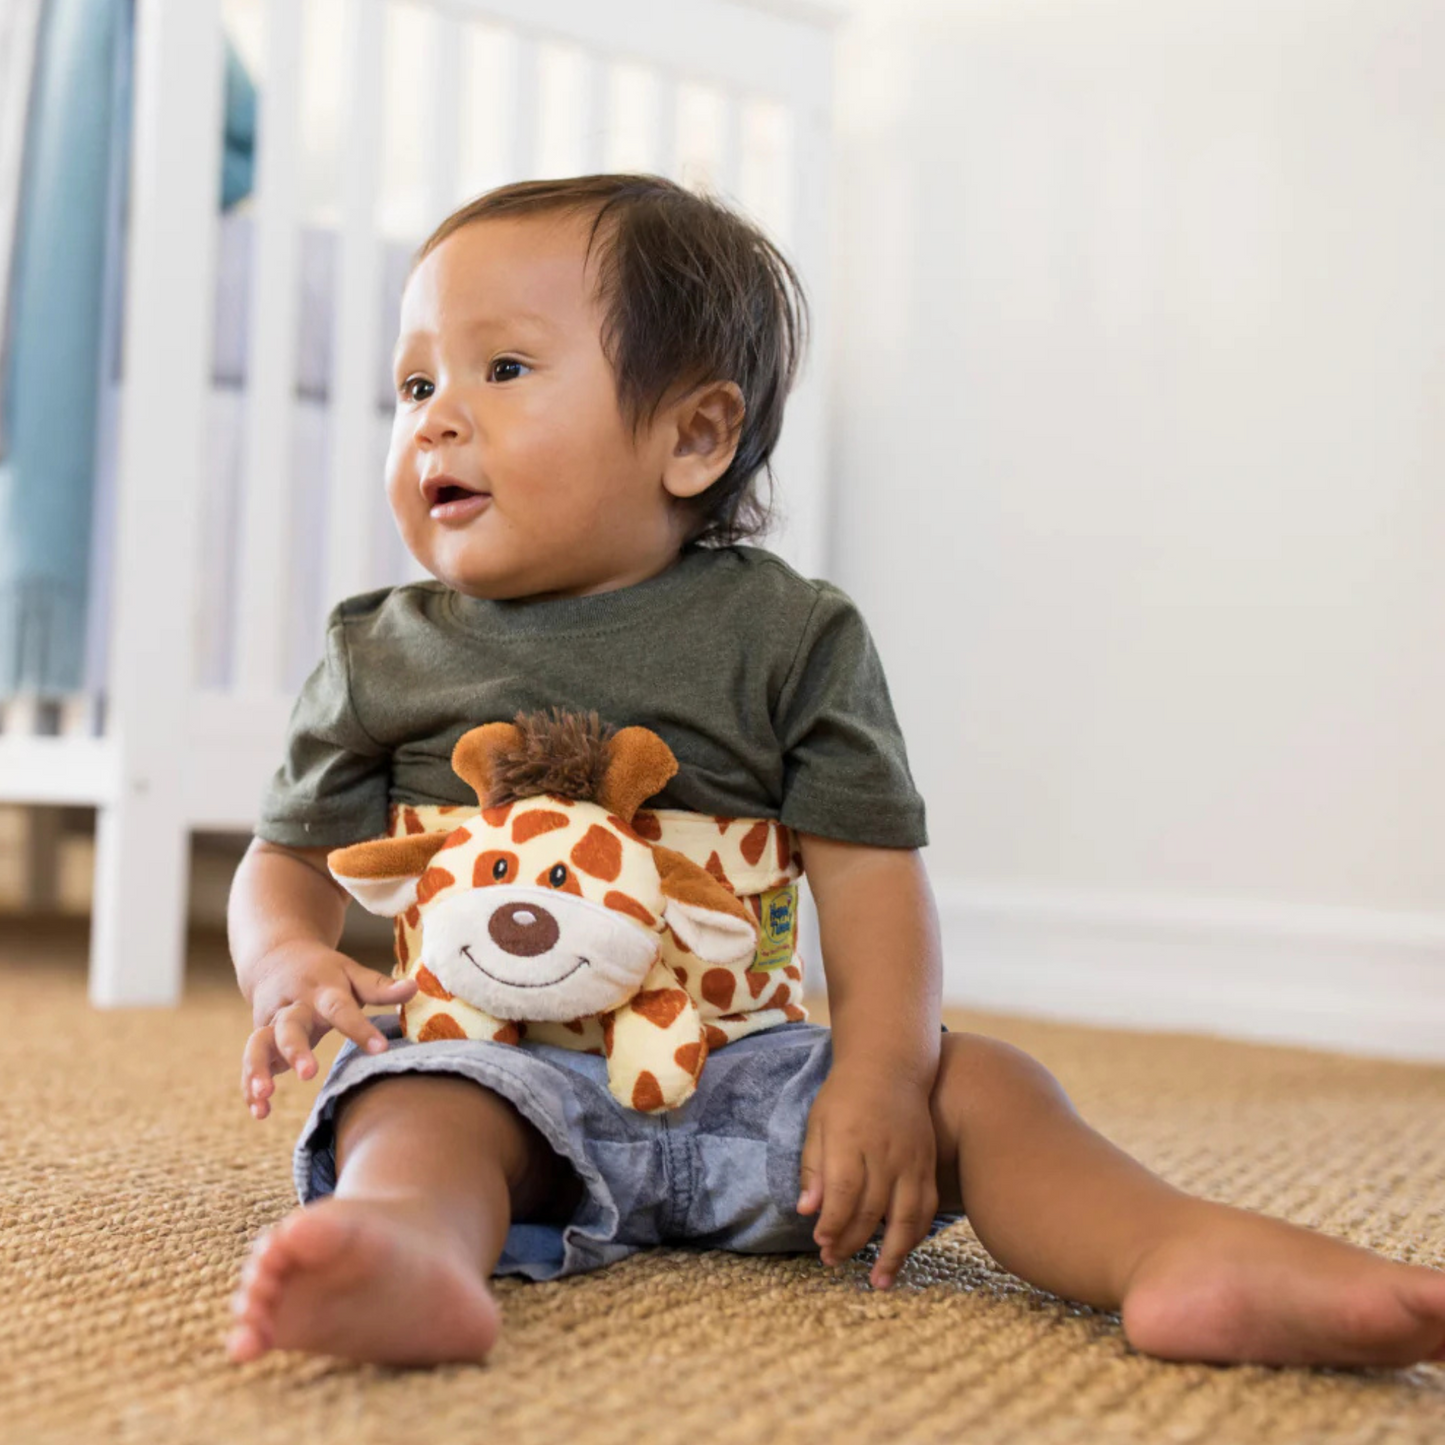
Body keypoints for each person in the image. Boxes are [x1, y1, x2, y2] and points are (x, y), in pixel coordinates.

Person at [225, 174, 1445, 1370]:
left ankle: (1170, 1249)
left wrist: (874, 1075)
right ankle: (404, 1247)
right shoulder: (377, 646)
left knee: (988, 1084)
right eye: (414, 382)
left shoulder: (789, 636)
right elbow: (280, 864)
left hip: (750, 1083)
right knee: (407, 1103)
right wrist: (288, 956)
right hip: (492, 1056)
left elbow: (869, 879)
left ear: (694, 435)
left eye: (501, 370)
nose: (435, 416)